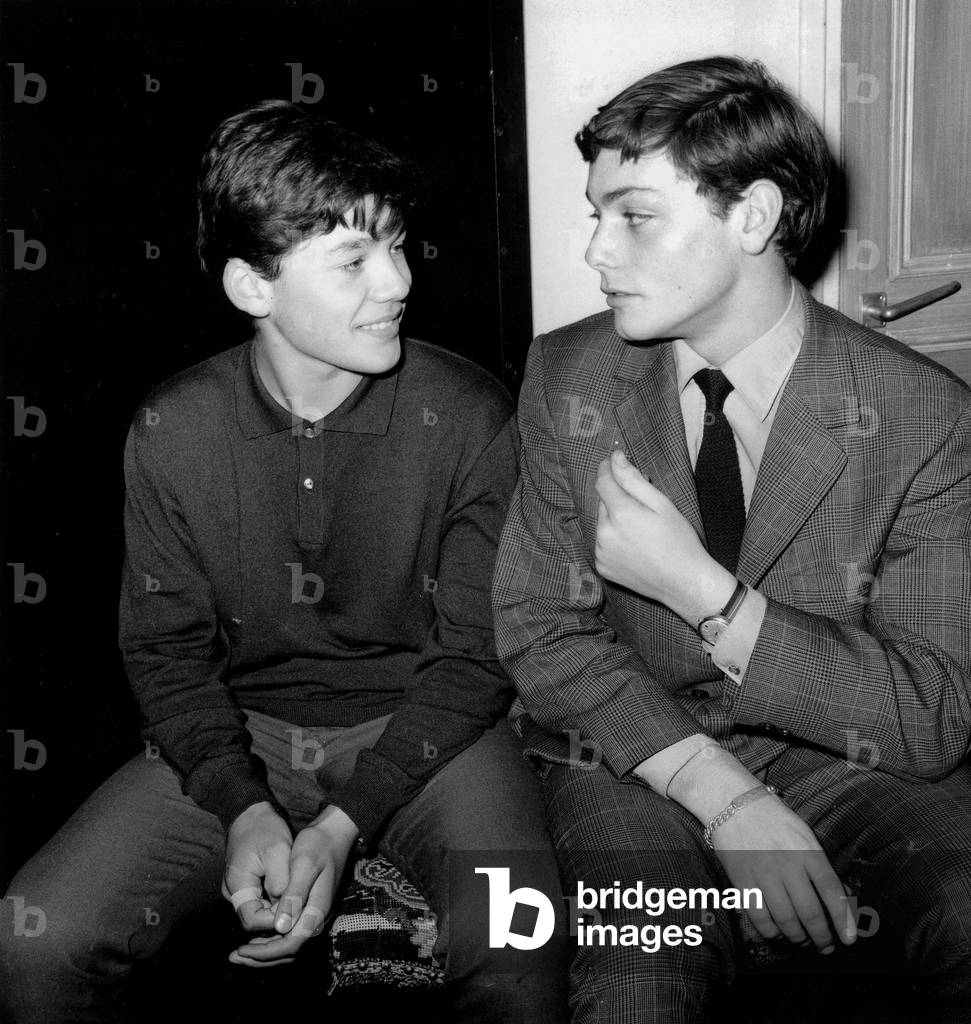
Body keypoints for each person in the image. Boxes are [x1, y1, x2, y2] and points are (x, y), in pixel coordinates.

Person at [0, 99, 567, 1023]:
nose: (395, 282)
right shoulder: (174, 427)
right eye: (352, 259)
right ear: (251, 288)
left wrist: (345, 826)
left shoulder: (468, 411)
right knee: (32, 942)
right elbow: (166, 654)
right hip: (246, 727)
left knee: (519, 945)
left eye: (397, 246)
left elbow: (476, 655)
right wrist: (241, 806)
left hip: (433, 727)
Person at [492, 56, 971, 1024]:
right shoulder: (565, 376)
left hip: (845, 754)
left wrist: (705, 595)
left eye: (630, 216)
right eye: (594, 215)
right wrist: (724, 796)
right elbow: (541, 632)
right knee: (639, 980)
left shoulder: (922, 415)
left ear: (751, 217)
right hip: (630, 750)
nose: (595, 253)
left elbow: (930, 714)